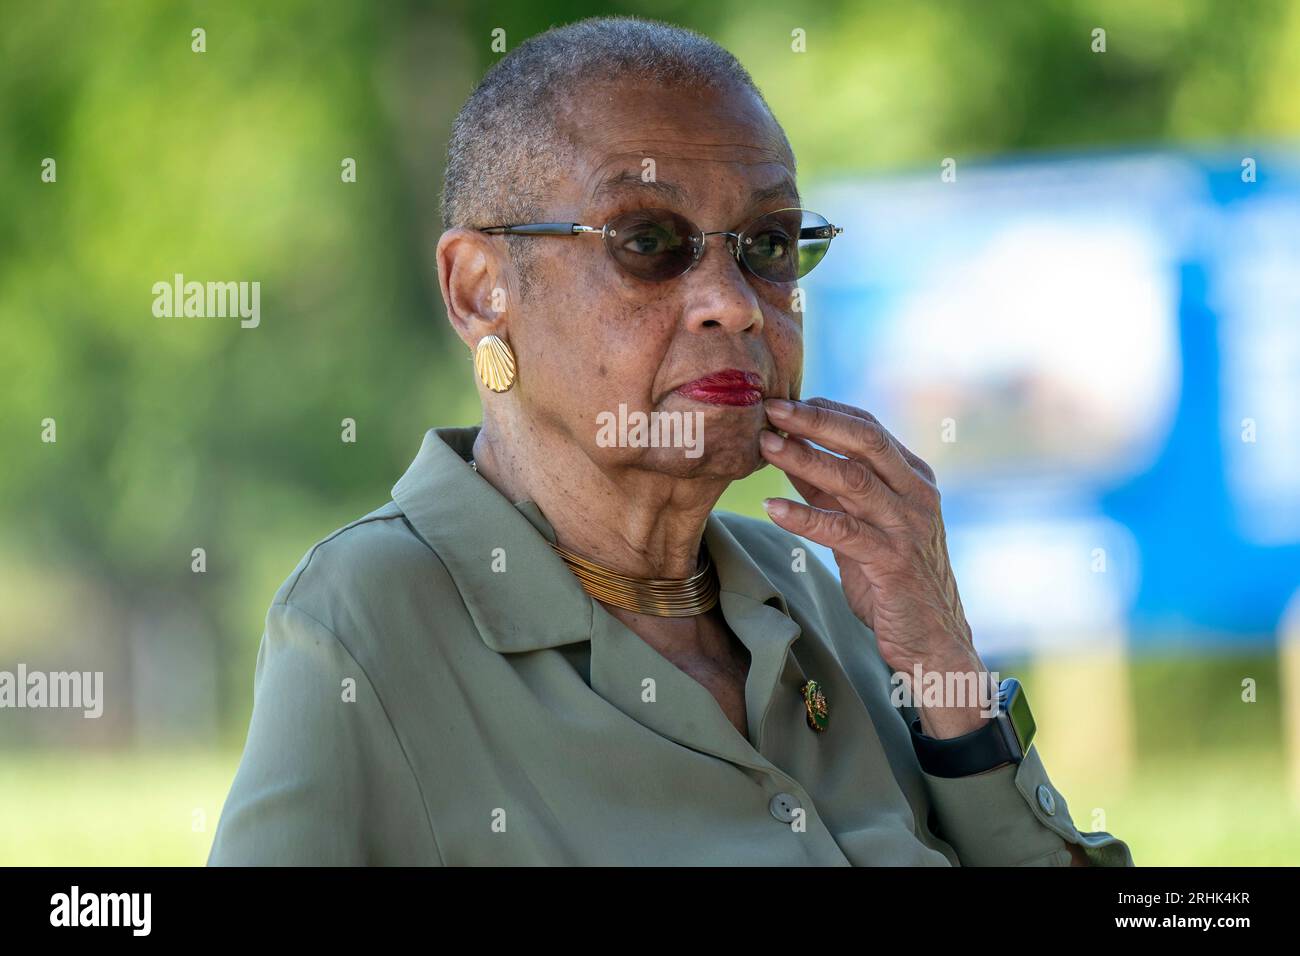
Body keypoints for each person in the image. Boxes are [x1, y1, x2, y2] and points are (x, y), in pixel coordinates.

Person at [208, 15, 1132, 866]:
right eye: (648, 240)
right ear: (479, 289)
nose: (733, 303)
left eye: (768, 244)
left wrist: (946, 669)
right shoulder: (367, 620)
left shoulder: (826, 591)